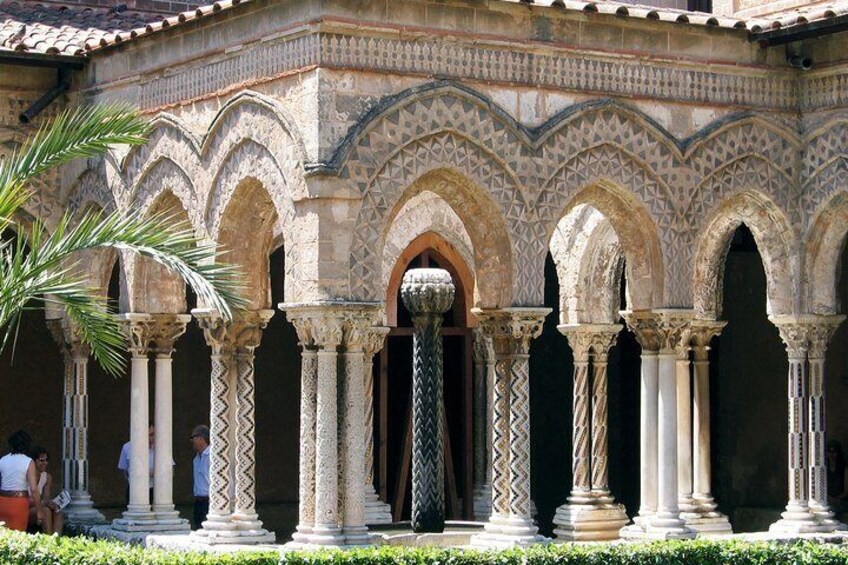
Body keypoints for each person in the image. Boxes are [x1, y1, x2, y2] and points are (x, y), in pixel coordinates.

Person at [0, 431, 42, 531]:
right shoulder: (28, 461)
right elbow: (34, 489)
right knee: (18, 538)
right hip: (19, 503)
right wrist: (39, 511)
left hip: (2, 501)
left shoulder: (2, 460)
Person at [27, 447, 63, 535]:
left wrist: (52, 504)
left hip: (38, 506)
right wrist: (42, 503)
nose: (45, 463)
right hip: (26, 509)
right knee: (45, 511)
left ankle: (57, 540)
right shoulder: (25, 475)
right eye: (41, 460)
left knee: (58, 511)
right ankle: (48, 541)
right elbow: (26, 500)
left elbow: (46, 498)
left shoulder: (47, 477)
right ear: (33, 461)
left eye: (46, 460)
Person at [118, 425, 155, 505]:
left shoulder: (161, 447)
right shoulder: (127, 447)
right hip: (134, 489)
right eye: (150, 435)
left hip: (155, 490)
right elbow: (123, 469)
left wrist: (155, 473)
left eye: (154, 434)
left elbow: (170, 470)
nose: (153, 438)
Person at [190, 425, 210, 529]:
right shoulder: (196, 459)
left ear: (201, 438)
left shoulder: (213, 457)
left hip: (210, 502)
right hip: (198, 502)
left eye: (193, 438)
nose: (191, 441)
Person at [827, 439, 848, 513]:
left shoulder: (844, 468)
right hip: (826, 499)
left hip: (840, 500)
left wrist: (836, 499)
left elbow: (846, 491)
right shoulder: (824, 468)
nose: (831, 454)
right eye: (829, 452)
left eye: (834, 452)